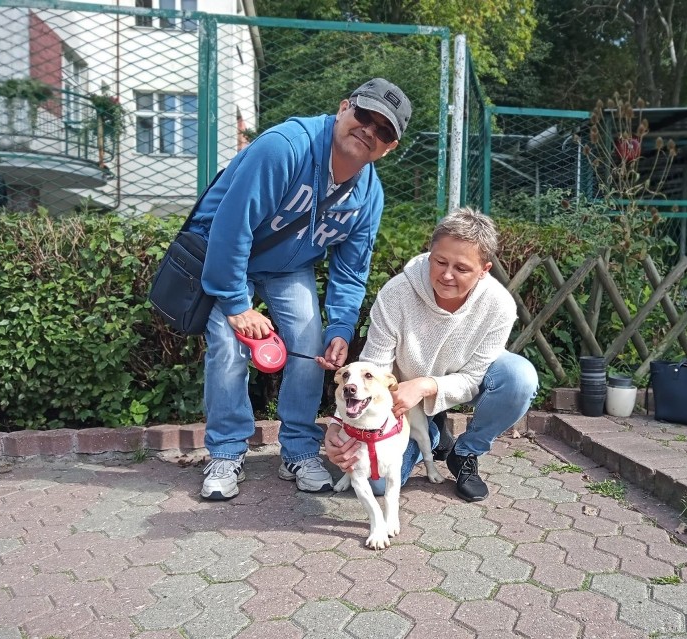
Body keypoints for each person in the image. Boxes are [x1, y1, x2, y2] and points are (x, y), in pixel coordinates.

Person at [190, 78, 412, 500]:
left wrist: (341, 329)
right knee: (226, 345)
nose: (369, 130)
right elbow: (230, 226)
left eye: (384, 130)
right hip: (236, 260)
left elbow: (350, 269)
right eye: (364, 116)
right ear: (344, 108)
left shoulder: (369, 195)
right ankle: (225, 452)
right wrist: (237, 305)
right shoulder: (285, 147)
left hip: (290, 269)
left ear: (389, 147)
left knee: (314, 349)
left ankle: (297, 450)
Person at [324, 207, 539, 502]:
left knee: (519, 377)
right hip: (400, 399)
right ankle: (433, 431)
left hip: (455, 385)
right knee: (376, 485)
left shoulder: (499, 306)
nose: (447, 275)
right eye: (439, 262)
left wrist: (426, 386)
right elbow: (371, 371)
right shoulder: (397, 293)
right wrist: (339, 424)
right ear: (429, 253)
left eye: (462, 269)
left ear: (484, 270)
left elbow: (473, 379)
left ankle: (465, 453)